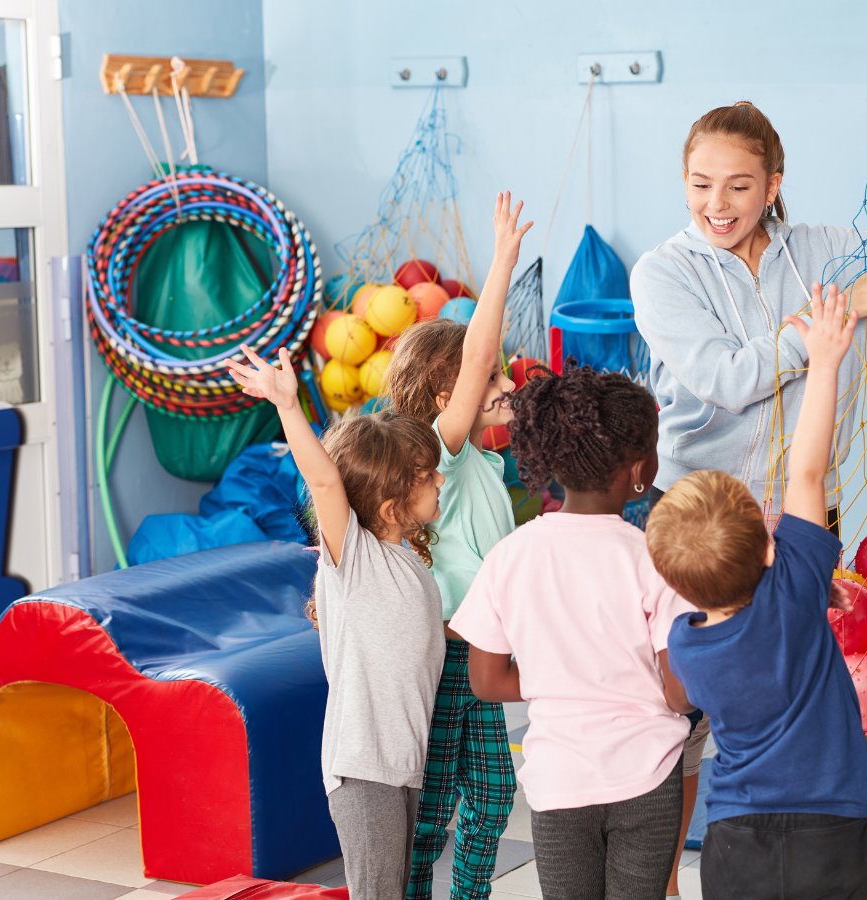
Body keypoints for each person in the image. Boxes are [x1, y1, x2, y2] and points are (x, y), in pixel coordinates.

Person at [630, 54, 867, 529]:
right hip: (698, 503)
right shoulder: (663, 272)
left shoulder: (830, 250)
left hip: (808, 500)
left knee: (810, 609)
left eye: (738, 187)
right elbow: (726, 382)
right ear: (685, 183)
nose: (716, 204)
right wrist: (832, 313)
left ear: (771, 188)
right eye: (701, 184)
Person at [647, 285, 867, 900]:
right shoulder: (795, 594)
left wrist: (800, 584)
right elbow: (808, 473)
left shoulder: (685, 644)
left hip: (733, 836)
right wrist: (827, 362)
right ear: (769, 548)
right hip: (830, 829)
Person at [449, 365, 695, 900]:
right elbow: (679, 692)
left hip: (559, 781)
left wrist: (561, 677)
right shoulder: (655, 559)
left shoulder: (510, 556)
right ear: (639, 468)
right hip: (648, 776)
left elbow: (487, 680)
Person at [225, 346, 445, 900]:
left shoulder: (405, 560)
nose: (440, 479)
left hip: (401, 764)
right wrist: (287, 405)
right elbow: (325, 483)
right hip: (365, 767)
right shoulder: (356, 558)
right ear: (392, 500)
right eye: (426, 474)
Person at [378, 192, 532, 900]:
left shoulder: (484, 465)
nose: (503, 384)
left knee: (495, 801)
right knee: (434, 810)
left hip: (485, 652)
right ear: (447, 391)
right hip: (446, 655)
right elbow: (474, 362)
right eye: (494, 375)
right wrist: (501, 261)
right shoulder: (436, 453)